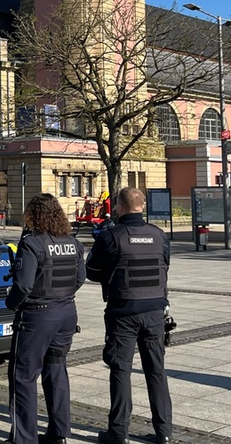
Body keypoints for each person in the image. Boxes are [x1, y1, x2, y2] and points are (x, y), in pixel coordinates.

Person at [86, 187, 172, 444]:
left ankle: (118, 433)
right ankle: (165, 433)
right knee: (156, 371)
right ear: (142, 206)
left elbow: (91, 270)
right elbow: (165, 265)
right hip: (154, 312)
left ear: (119, 208)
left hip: (123, 312)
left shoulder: (111, 237)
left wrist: (112, 275)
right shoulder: (159, 236)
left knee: (121, 370)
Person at [4, 193, 85, 444]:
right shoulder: (73, 242)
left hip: (37, 316)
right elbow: (80, 278)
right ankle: (58, 433)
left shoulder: (32, 243)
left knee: (23, 376)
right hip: (66, 313)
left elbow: (24, 285)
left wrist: (11, 304)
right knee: (56, 371)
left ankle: (24, 438)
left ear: (33, 215)